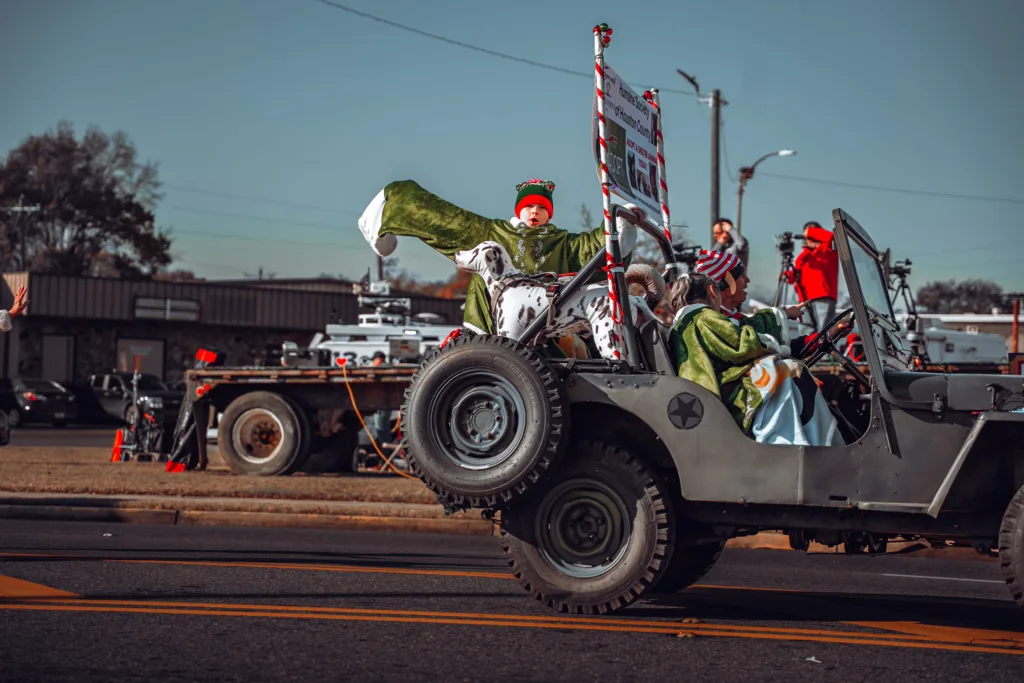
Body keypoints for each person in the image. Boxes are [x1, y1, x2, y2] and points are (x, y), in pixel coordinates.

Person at [357, 178, 644, 343]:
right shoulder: (494, 232)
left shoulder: (563, 242)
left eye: (541, 208)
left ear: (549, 213)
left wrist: (621, 225)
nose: (535, 212)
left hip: (547, 334)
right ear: (519, 209)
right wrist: (397, 200)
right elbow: (446, 220)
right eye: (529, 206)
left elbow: (594, 247)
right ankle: (386, 210)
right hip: (489, 331)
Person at [667, 273, 842, 447]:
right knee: (790, 370)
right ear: (712, 291)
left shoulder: (685, 323)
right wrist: (770, 344)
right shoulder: (704, 316)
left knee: (787, 370)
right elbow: (741, 344)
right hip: (726, 391)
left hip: (712, 387)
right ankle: (790, 442)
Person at [784, 222, 839, 331]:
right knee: (806, 333)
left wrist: (810, 231)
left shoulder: (828, 249)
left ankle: (822, 348)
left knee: (824, 333)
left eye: (812, 234)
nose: (808, 238)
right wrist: (785, 275)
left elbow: (830, 236)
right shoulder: (804, 256)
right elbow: (794, 276)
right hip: (803, 300)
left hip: (822, 297)